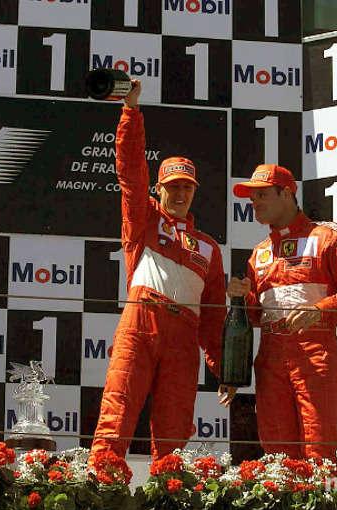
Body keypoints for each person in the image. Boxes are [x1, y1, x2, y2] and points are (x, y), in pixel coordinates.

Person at [89, 79, 232, 465]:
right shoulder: (145, 219)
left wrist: (225, 370)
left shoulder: (209, 247)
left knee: (174, 430)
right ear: (159, 188)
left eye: (187, 186)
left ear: (196, 190)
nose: (180, 194)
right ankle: (100, 487)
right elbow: (130, 172)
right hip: (142, 319)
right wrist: (130, 113)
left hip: (185, 334)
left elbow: (215, 316)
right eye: (172, 186)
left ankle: (166, 508)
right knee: (117, 412)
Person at [227, 164, 337, 461]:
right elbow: (256, 315)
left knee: (318, 443)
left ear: (287, 194)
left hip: (313, 349)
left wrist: (319, 310)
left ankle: (318, 505)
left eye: (263, 195)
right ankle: (285, 506)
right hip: (270, 355)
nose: (255, 204)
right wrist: (242, 299)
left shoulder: (328, 237)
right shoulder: (260, 252)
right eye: (252, 199)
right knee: (276, 449)